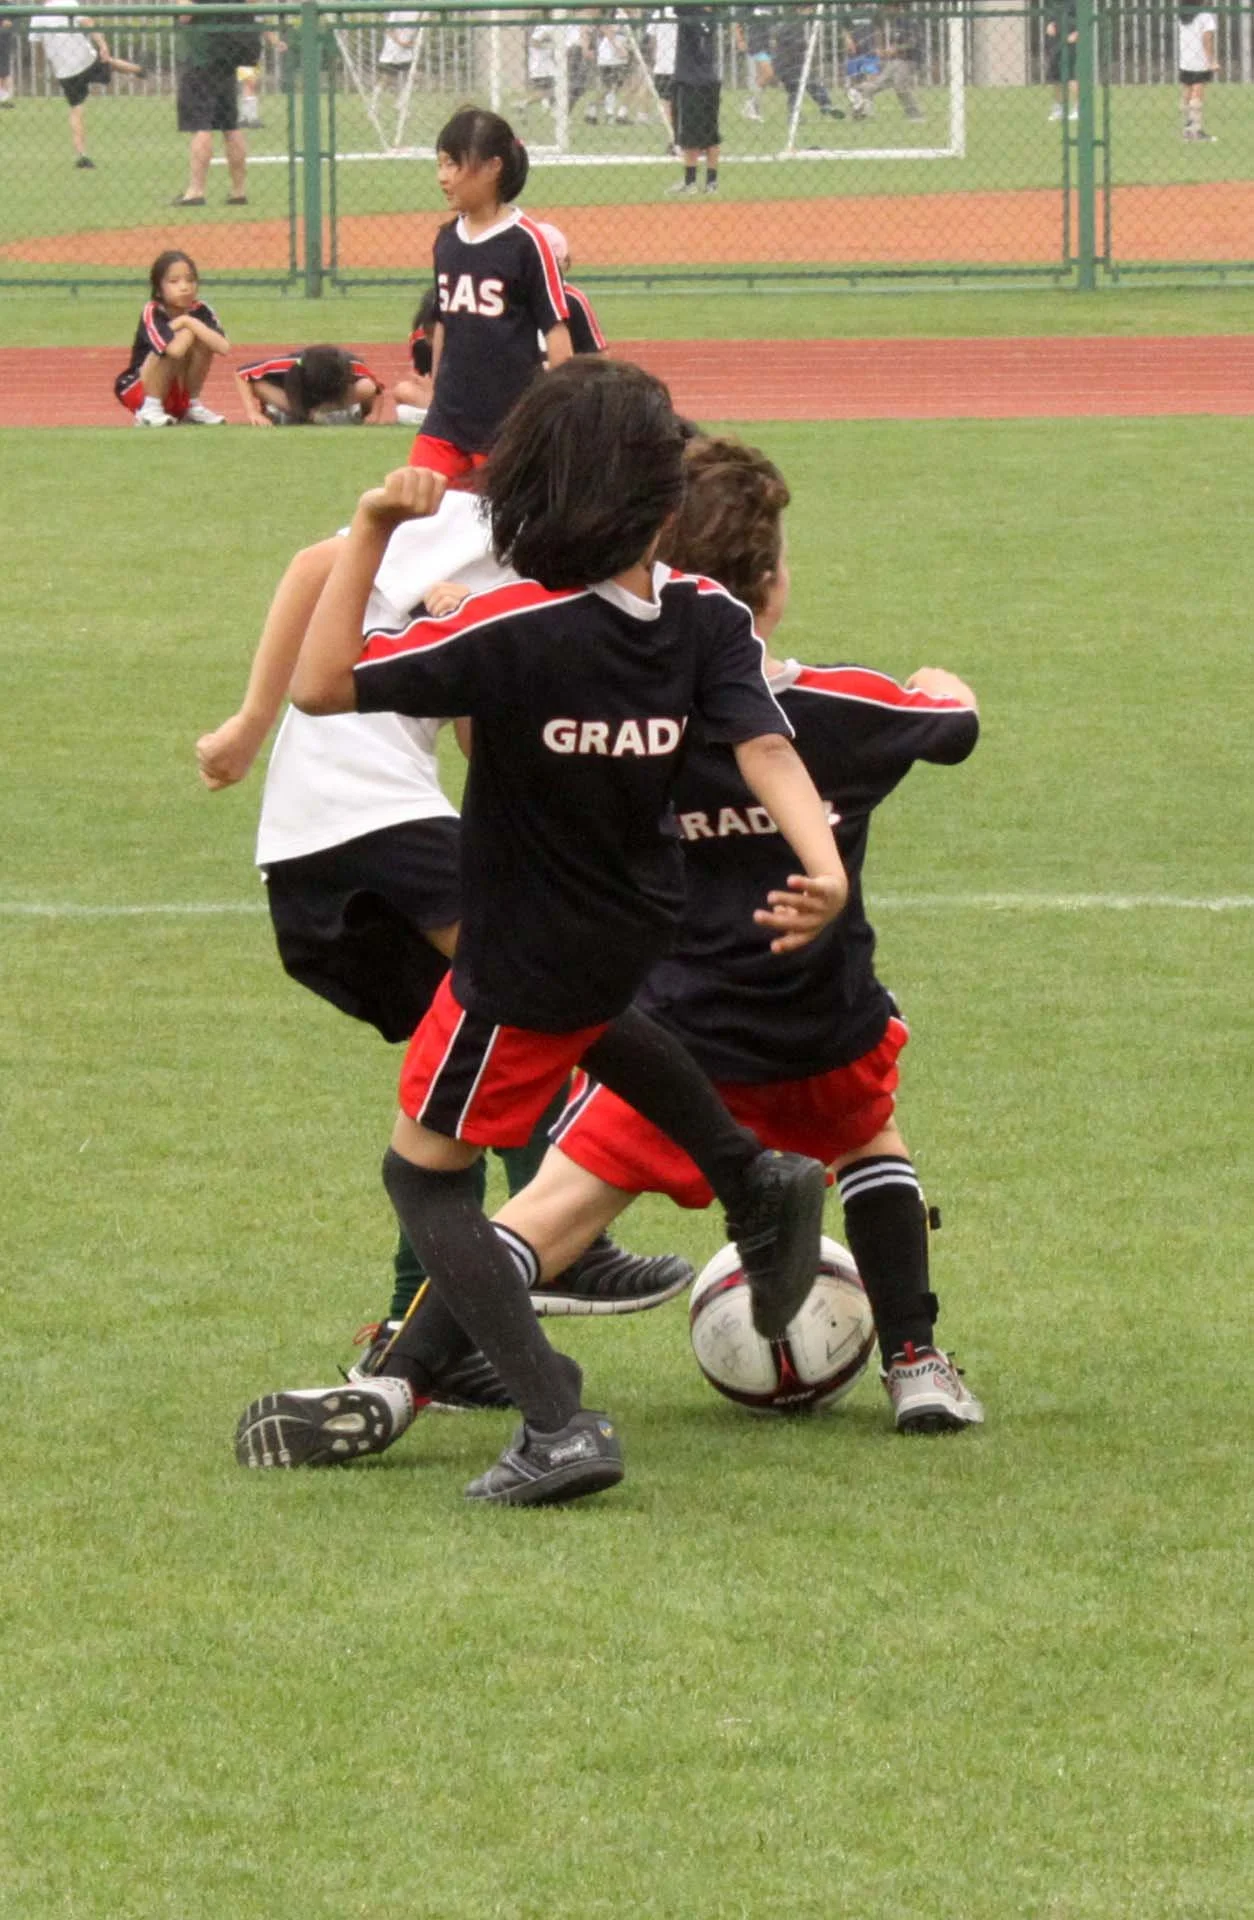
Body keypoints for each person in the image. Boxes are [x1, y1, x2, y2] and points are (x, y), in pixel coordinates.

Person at [257, 434, 984, 1442]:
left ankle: (397, 1379)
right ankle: (917, 1363)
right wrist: (949, 692)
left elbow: (498, 734)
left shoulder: (626, 698)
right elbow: (946, 726)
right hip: (819, 1027)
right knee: (870, 1140)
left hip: (669, 1036)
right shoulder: (844, 713)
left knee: (534, 1219)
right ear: (770, 586)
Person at [195, 486, 692, 1411]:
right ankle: (566, 1247)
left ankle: (418, 1328)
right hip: (368, 817)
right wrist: (250, 725)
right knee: (545, 1008)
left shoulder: (548, 576)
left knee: (460, 1087)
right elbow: (316, 567)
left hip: (319, 844)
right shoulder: (480, 522)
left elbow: (482, 724)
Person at [408, 105, 572, 482]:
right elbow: (444, 325)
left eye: (453, 164)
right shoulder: (447, 240)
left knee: (499, 527)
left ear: (492, 167)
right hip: (446, 422)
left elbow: (556, 335)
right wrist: (435, 391)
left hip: (508, 425)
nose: (442, 177)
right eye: (440, 165)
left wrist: (559, 415)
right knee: (412, 513)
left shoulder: (527, 242)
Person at [114, 248, 229, 425]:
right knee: (180, 340)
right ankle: (150, 409)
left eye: (190, 280)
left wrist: (189, 322)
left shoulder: (202, 310)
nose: (184, 287)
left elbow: (223, 347)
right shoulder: (153, 311)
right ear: (159, 289)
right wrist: (187, 326)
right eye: (174, 281)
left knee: (202, 338)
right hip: (139, 389)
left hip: (176, 388)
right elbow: (173, 351)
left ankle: (191, 405)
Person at [28, 0, 147, 168]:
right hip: (85, 59)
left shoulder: (37, 16)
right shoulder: (68, 4)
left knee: (76, 109)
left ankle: (82, 156)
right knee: (108, 62)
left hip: (66, 71)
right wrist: (103, 45)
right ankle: (139, 70)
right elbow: (89, 23)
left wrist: (40, 68)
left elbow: (37, 46)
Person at [171, 0, 267, 206]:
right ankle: (238, 191)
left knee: (200, 126)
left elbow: (184, 14)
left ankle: (196, 190)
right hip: (228, 58)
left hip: (201, 58)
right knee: (230, 126)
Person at [235, 345, 385, 426]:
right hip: (293, 401)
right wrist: (252, 412)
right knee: (258, 384)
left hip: (332, 403)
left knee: (367, 386)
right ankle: (303, 415)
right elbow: (242, 373)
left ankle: (325, 414)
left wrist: (373, 415)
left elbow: (377, 387)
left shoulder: (352, 365)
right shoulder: (286, 364)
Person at [666, 4, 721, 196]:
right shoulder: (713, 11)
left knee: (689, 134)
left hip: (689, 80)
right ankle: (712, 182)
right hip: (710, 79)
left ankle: (690, 183)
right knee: (711, 133)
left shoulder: (689, 8)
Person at [533, 221, 607, 356]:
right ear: (564, 261)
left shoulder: (508, 297)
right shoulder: (572, 299)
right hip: (561, 375)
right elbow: (597, 358)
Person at [771, 7, 843, 125]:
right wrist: (804, 46)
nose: (810, 12)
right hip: (790, 64)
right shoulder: (793, 23)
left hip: (786, 63)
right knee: (807, 84)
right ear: (801, 9)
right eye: (809, 9)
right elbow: (789, 41)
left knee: (795, 90)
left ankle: (796, 115)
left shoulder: (793, 23)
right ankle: (824, 104)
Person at [859, 4, 925, 122]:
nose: (886, 10)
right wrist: (885, 51)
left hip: (910, 60)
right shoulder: (896, 22)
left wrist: (896, 49)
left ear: (897, 7)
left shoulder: (910, 21)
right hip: (896, 61)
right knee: (873, 86)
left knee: (900, 85)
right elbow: (894, 44)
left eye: (888, 7)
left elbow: (914, 42)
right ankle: (865, 111)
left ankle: (916, 116)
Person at [394, 286, 437, 427]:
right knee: (402, 390)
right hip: (435, 394)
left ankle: (433, 416)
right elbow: (419, 378)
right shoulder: (420, 342)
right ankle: (434, 415)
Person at [1177, 5, 1219, 142]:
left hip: (1186, 59)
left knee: (1187, 90)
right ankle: (1196, 130)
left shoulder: (1183, 15)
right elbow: (1207, 39)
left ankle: (1187, 129)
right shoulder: (1205, 16)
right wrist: (1211, 60)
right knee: (1197, 90)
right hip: (1199, 59)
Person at [843, 4, 882, 119]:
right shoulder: (848, 14)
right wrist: (848, 41)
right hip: (854, 54)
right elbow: (845, 32)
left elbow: (878, 30)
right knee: (854, 83)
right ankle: (857, 107)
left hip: (870, 53)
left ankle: (867, 110)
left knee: (870, 81)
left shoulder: (873, 12)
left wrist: (879, 47)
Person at [1044, 2, 1078, 123]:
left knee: (1071, 76)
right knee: (1056, 76)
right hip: (1057, 41)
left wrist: (1077, 33)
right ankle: (1059, 108)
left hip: (1071, 42)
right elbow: (1053, 17)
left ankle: (1079, 108)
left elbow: (1085, 18)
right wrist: (1050, 24)